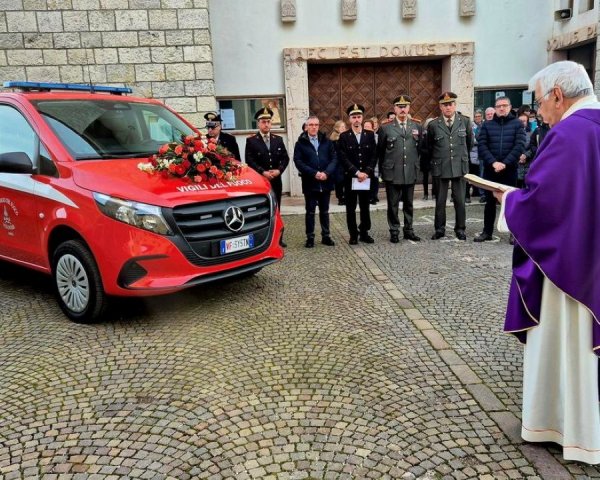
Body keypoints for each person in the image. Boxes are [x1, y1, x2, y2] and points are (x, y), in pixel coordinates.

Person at [495, 60, 600, 465]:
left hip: (570, 269)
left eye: (539, 102)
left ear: (558, 95)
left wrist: (510, 200)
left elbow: (545, 204)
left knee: (569, 345)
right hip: (593, 258)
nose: (539, 112)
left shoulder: (569, 134)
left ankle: (564, 429)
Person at [474, 96, 526, 242]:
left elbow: (520, 145)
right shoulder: (487, 125)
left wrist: (505, 163)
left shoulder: (517, 124)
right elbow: (482, 145)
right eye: (498, 106)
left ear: (510, 107)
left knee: (510, 202)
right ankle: (487, 232)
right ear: (495, 108)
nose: (501, 108)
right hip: (491, 169)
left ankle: (513, 233)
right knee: (489, 202)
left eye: (504, 105)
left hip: (509, 169)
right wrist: (493, 162)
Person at [427, 92, 472, 241]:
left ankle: (460, 229)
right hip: (441, 166)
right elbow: (429, 147)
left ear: (455, 105)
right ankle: (439, 229)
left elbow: (469, 144)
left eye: (450, 104)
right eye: (445, 105)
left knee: (460, 201)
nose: (448, 107)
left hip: (459, 166)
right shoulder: (433, 124)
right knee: (440, 201)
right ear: (440, 107)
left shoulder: (465, 121)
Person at [377, 95, 422, 243]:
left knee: (409, 204)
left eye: (405, 106)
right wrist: (382, 171)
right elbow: (381, 151)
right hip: (392, 172)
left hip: (410, 170)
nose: (402, 109)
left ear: (409, 108)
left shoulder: (417, 126)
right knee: (393, 204)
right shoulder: (386, 127)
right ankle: (394, 230)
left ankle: (409, 230)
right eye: (399, 107)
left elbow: (420, 148)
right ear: (394, 109)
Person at [245, 107, 289, 246]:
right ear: (258, 123)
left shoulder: (278, 140)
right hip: (261, 181)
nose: (266, 124)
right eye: (263, 122)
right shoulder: (251, 141)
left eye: (268, 121)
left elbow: (285, 158)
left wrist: (279, 170)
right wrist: (262, 172)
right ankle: (262, 240)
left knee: (277, 209)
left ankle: (278, 239)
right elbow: (249, 160)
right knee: (262, 210)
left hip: (276, 180)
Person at [293, 115, 338, 248]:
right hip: (310, 182)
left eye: (316, 125)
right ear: (306, 127)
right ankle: (310, 237)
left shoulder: (327, 141)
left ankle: (326, 236)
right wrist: (314, 173)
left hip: (325, 181)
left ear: (319, 126)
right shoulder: (300, 143)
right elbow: (298, 161)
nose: (313, 127)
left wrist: (326, 173)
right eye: (311, 125)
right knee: (310, 211)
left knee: (325, 211)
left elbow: (334, 159)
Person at [337, 103, 377, 245]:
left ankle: (364, 232)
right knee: (351, 207)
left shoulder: (370, 135)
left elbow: (374, 155)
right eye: (353, 117)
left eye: (359, 117)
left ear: (362, 118)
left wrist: (366, 172)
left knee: (365, 206)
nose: (356, 120)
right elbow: (342, 157)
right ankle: (353, 234)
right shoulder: (344, 136)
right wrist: (356, 172)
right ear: (349, 119)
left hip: (366, 178)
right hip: (351, 178)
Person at [466, 109, 483, 201]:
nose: (477, 118)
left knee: (479, 174)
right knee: (470, 174)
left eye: (479, 116)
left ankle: (477, 192)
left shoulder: (484, 126)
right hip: (471, 154)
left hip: (480, 154)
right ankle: (467, 195)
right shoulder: (470, 126)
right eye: (476, 116)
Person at [330, 120, 347, 206]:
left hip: (346, 163)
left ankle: (347, 197)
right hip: (338, 164)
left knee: (347, 181)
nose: (344, 128)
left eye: (344, 127)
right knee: (339, 182)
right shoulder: (333, 140)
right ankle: (340, 198)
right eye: (342, 127)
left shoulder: (347, 137)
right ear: (337, 128)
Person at [364, 118, 380, 205]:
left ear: (372, 127)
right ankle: (368, 197)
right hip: (365, 163)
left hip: (375, 163)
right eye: (365, 126)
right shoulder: (361, 137)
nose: (366, 128)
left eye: (368, 127)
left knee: (375, 180)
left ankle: (374, 196)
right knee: (366, 180)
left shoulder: (377, 137)